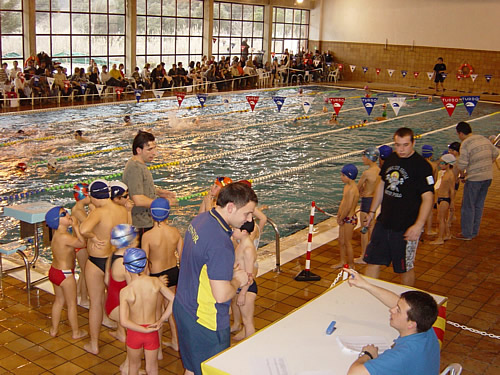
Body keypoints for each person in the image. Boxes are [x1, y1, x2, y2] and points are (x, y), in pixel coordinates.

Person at [174, 182, 257, 375]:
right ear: (230, 207)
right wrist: (238, 280)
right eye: (247, 213)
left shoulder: (201, 220)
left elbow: (201, 262)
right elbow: (221, 296)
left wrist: (225, 270)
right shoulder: (221, 243)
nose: (249, 219)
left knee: (192, 368)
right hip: (206, 319)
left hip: (184, 307)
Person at [363, 128, 434, 286]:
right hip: (384, 222)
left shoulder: (422, 167)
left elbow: (428, 197)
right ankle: (365, 297)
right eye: (398, 145)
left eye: (405, 145)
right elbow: (382, 184)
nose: (401, 149)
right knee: (373, 261)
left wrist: (418, 225)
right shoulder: (391, 159)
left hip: (406, 227)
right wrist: (372, 212)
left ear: (413, 143)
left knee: (405, 268)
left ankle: (407, 305)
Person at [345, 269, 440, 375]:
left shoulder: (402, 355)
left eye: (398, 310)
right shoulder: (424, 326)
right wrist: (366, 285)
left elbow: (355, 373)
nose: (391, 309)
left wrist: (367, 355)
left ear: (411, 324)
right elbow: (396, 301)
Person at [80, 179, 130, 355]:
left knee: (95, 303)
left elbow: (84, 229)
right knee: (119, 299)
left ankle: (94, 345)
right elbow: (128, 231)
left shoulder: (98, 212)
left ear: (94, 196)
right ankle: (121, 332)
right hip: (116, 260)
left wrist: (93, 237)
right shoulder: (122, 210)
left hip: (96, 261)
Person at [120, 247, 175, 375]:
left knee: (133, 366)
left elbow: (124, 321)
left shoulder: (126, 291)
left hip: (135, 332)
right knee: (152, 368)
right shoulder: (155, 282)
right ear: (145, 265)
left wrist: (142, 330)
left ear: (126, 268)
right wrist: (161, 319)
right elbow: (174, 299)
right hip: (152, 330)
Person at [142, 198, 183, 351]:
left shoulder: (148, 236)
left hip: (157, 276)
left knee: (157, 312)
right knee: (171, 309)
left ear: (151, 215)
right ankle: (175, 341)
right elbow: (183, 257)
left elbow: (144, 263)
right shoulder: (175, 232)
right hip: (173, 272)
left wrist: (145, 281)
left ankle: (157, 350)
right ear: (168, 214)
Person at [122, 131, 176, 246]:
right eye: (149, 149)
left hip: (145, 221)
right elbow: (138, 199)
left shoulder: (139, 164)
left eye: (154, 148)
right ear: (138, 150)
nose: (154, 153)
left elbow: (139, 187)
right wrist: (163, 203)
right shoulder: (135, 168)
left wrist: (158, 192)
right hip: (141, 224)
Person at [45, 206, 88, 340]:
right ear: (57, 221)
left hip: (54, 271)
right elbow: (82, 243)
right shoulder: (64, 237)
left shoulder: (57, 235)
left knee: (58, 301)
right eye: (64, 214)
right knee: (71, 304)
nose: (68, 214)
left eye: (66, 211)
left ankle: (54, 329)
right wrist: (75, 226)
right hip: (65, 274)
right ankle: (76, 332)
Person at [454, 121, 499, 240]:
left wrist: (462, 175)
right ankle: (474, 231)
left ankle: (467, 233)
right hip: (488, 177)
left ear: (460, 133)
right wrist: (487, 164)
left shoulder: (465, 143)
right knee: (479, 205)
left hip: (475, 179)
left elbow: (462, 165)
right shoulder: (482, 138)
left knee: (468, 206)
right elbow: (496, 153)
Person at [230, 219, 258, 341]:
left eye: (235, 229)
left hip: (246, 288)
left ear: (244, 231)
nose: (232, 231)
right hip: (240, 286)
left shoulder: (248, 249)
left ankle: (251, 347)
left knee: (248, 322)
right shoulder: (241, 243)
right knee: (244, 320)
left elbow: (249, 275)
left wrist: (242, 293)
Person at [355, 148, 380, 264]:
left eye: (364, 156)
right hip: (374, 202)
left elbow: (357, 187)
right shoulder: (380, 171)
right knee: (372, 229)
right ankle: (372, 254)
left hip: (366, 202)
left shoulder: (367, 173)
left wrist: (360, 193)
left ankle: (363, 256)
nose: (362, 158)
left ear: (370, 158)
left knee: (364, 230)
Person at [333, 164, 359, 269]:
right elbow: (343, 203)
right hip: (344, 217)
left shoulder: (353, 189)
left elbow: (348, 207)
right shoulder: (347, 187)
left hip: (349, 219)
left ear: (349, 175)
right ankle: (343, 261)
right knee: (341, 241)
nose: (341, 177)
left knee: (347, 243)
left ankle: (351, 264)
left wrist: (342, 217)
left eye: (342, 175)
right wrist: (339, 215)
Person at [71, 183, 91, 307]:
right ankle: (84, 299)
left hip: (80, 244)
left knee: (84, 271)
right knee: (85, 272)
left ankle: (78, 292)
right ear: (84, 195)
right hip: (81, 245)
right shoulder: (78, 211)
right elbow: (88, 223)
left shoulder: (78, 209)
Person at [430, 154, 456, 245]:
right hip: (441, 198)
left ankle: (440, 238)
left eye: (442, 163)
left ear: (448, 164)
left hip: (445, 199)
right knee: (441, 218)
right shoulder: (445, 173)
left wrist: (452, 203)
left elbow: (452, 190)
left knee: (440, 219)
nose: (440, 165)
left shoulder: (450, 175)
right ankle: (447, 234)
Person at [422, 145, 437, 236]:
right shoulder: (434, 166)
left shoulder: (418, 164)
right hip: (429, 190)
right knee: (429, 210)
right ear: (431, 155)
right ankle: (429, 230)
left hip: (419, 190)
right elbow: (434, 180)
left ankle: (421, 227)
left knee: (419, 208)